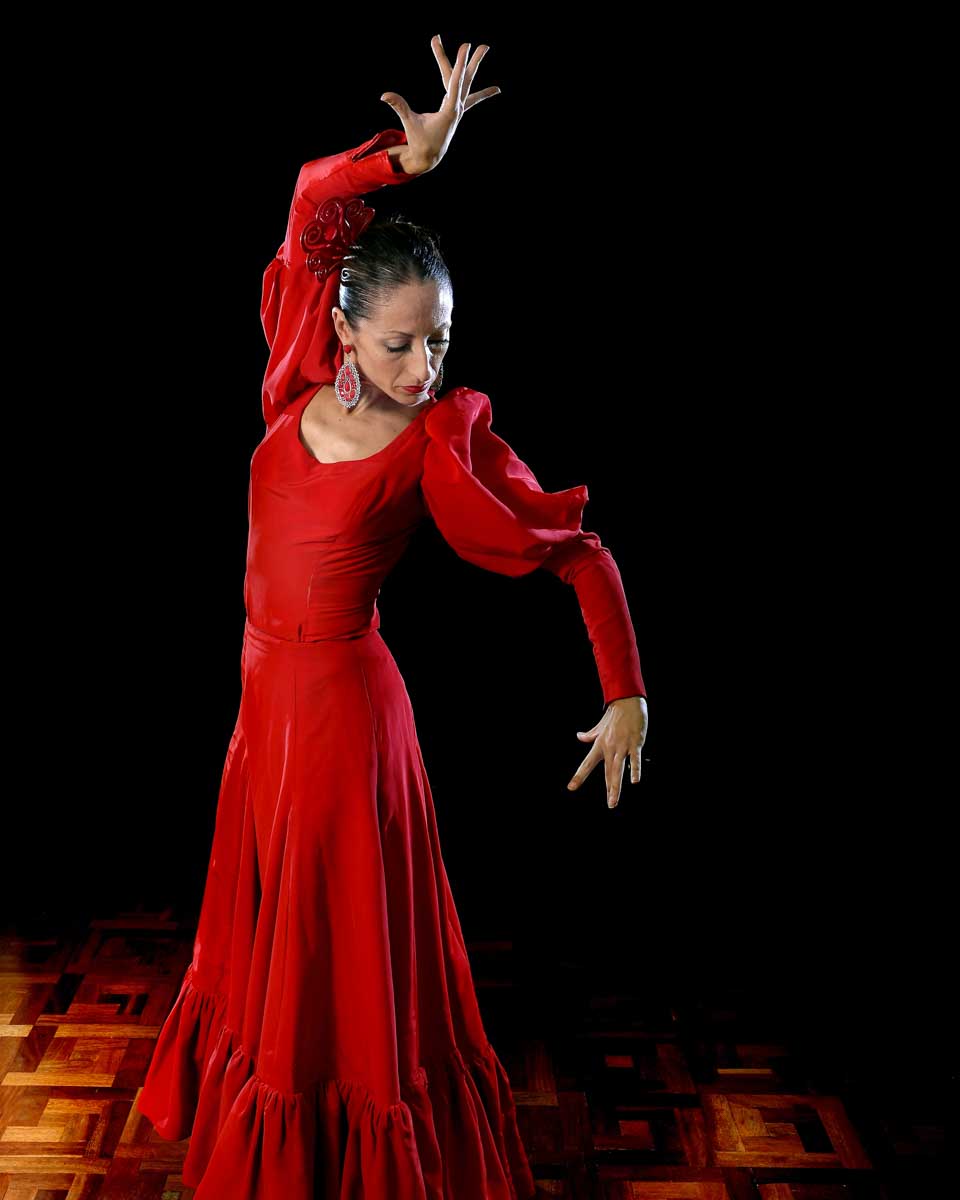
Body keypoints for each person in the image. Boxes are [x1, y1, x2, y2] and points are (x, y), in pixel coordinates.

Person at [136, 35, 649, 1200]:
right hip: (261, 719)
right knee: (268, 958)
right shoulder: (291, 375)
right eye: (403, 341)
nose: (426, 364)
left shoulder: (437, 446)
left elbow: (576, 553)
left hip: (343, 728)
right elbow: (312, 203)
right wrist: (401, 163)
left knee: (334, 979)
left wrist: (625, 690)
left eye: (442, 342)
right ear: (347, 330)